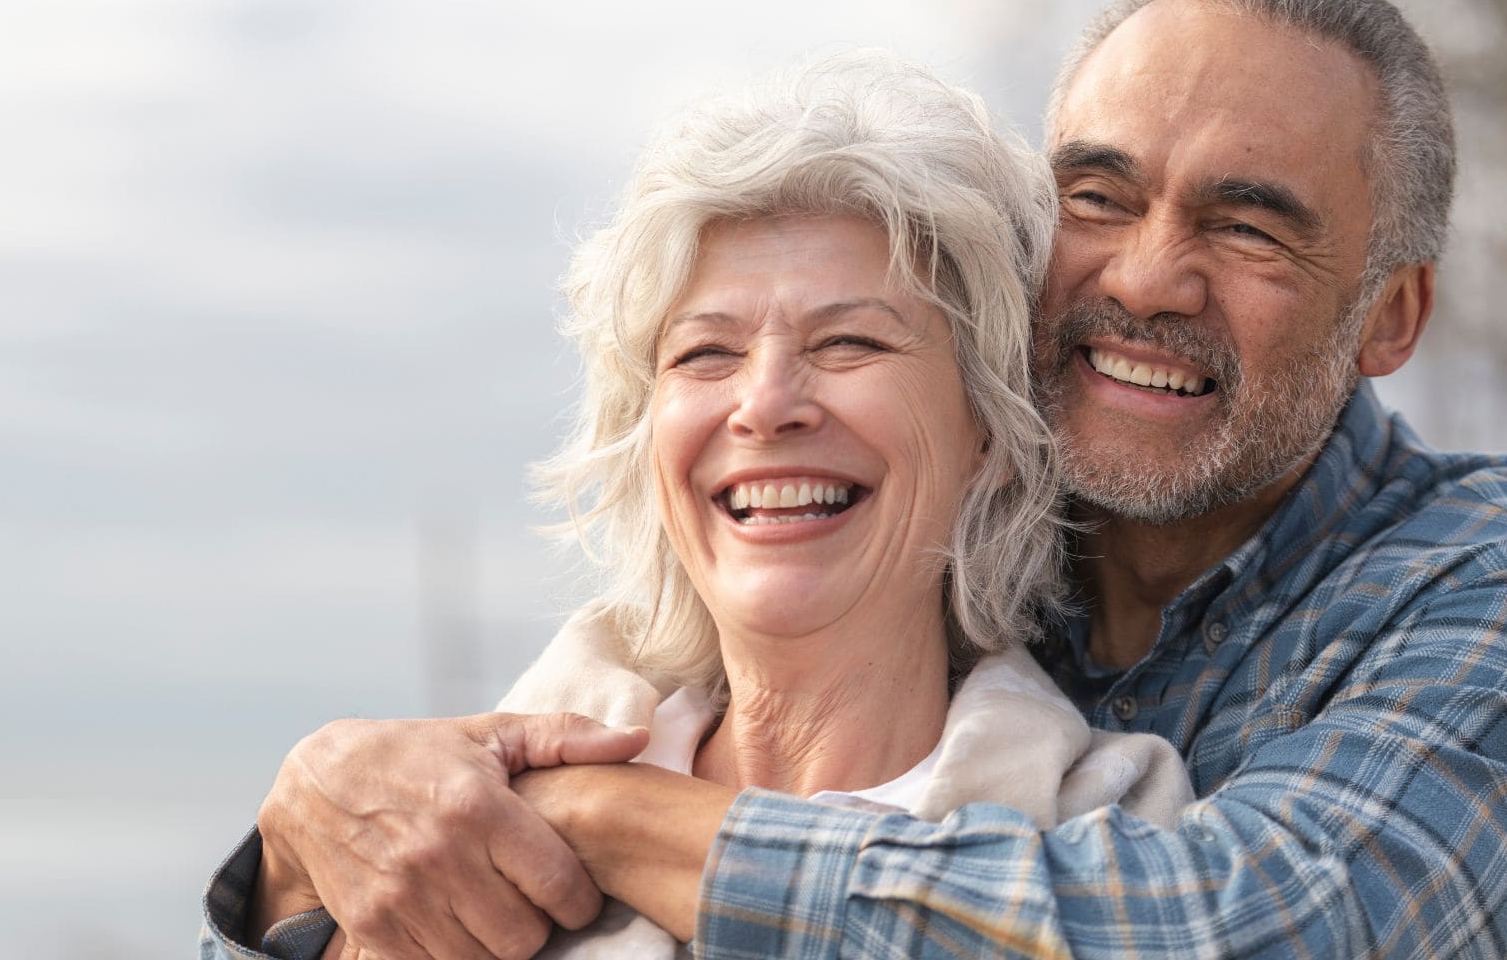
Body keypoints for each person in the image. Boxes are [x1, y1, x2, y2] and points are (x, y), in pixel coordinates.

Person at [205, 0, 1507, 960]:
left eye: (1244, 224)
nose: (1148, 277)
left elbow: (1251, 934)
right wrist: (305, 824)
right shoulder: (913, 547)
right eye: (1096, 196)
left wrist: (595, 818)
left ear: (1390, 314)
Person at [204, 54, 1196, 960]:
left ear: (986, 425)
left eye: (847, 343)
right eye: (703, 354)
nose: (764, 405)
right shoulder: (463, 832)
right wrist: (283, 882)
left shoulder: (1113, 830)